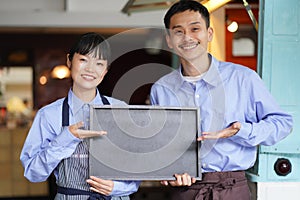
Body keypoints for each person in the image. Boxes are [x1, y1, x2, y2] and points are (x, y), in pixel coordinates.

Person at [150, 1, 293, 199]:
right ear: (169, 40)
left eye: (195, 29)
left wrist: (242, 130)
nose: (187, 37)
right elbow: (161, 145)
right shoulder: (161, 89)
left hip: (233, 189)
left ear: (209, 33)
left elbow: (283, 124)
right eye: (179, 31)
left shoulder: (243, 78)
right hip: (184, 192)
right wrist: (167, 172)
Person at [20, 32, 140, 200]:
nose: (90, 69)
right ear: (69, 61)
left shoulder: (120, 110)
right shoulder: (48, 115)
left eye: (99, 63)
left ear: (105, 71)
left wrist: (116, 187)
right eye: (83, 60)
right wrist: (66, 138)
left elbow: (137, 167)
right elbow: (33, 173)